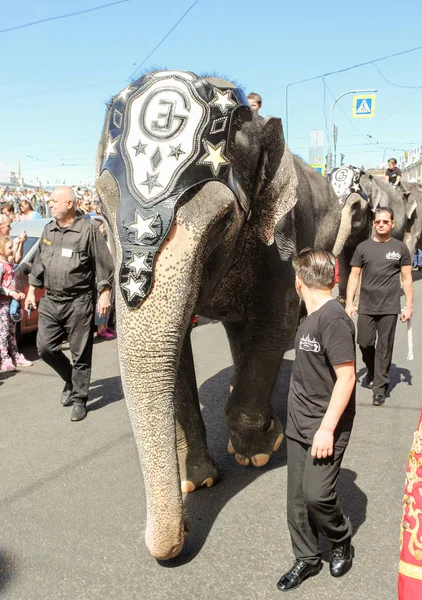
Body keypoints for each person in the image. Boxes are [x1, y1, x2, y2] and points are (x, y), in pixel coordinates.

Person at [277, 248, 356, 592]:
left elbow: (347, 378)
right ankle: (307, 558)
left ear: (299, 281)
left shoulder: (334, 319)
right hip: (298, 423)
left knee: (317, 495)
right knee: (296, 499)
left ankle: (341, 539)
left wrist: (326, 429)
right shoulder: (309, 316)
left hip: (326, 427)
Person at [24, 186, 113, 422]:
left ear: (69, 204)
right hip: (51, 300)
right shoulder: (49, 229)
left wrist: (104, 293)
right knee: (45, 348)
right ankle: (70, 380)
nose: (50, 204)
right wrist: (32, 290)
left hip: (79, 301)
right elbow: (39, 263)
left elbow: (103, 263)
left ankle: (80, 399)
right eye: (50, 200)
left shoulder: (88, 230)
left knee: (80, 353)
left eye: (54, 200)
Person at [346, 207, 413, 406]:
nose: (381, 225)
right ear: (373, 223)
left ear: (392, 224)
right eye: (378, 222)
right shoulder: (363, 248)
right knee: (364, 343)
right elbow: (354, 276)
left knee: (384, 348)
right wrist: (350, 302)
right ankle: (374, 370)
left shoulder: (401, 248)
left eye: (385, 221)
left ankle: (379, 388)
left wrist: (408, 306)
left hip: (390, 307)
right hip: (366, 305)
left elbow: (407, 279)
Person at [0, 237, 32, 371]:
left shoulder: (9, 263)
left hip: (11, 302)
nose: (12, 250)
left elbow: (18, 258)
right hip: (2, 304)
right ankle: (4, 358)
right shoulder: (1, 266)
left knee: (12, 332)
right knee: (3, 331)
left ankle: (15, 355)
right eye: (9, 248)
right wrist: (11, 293)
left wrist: (20, 244)